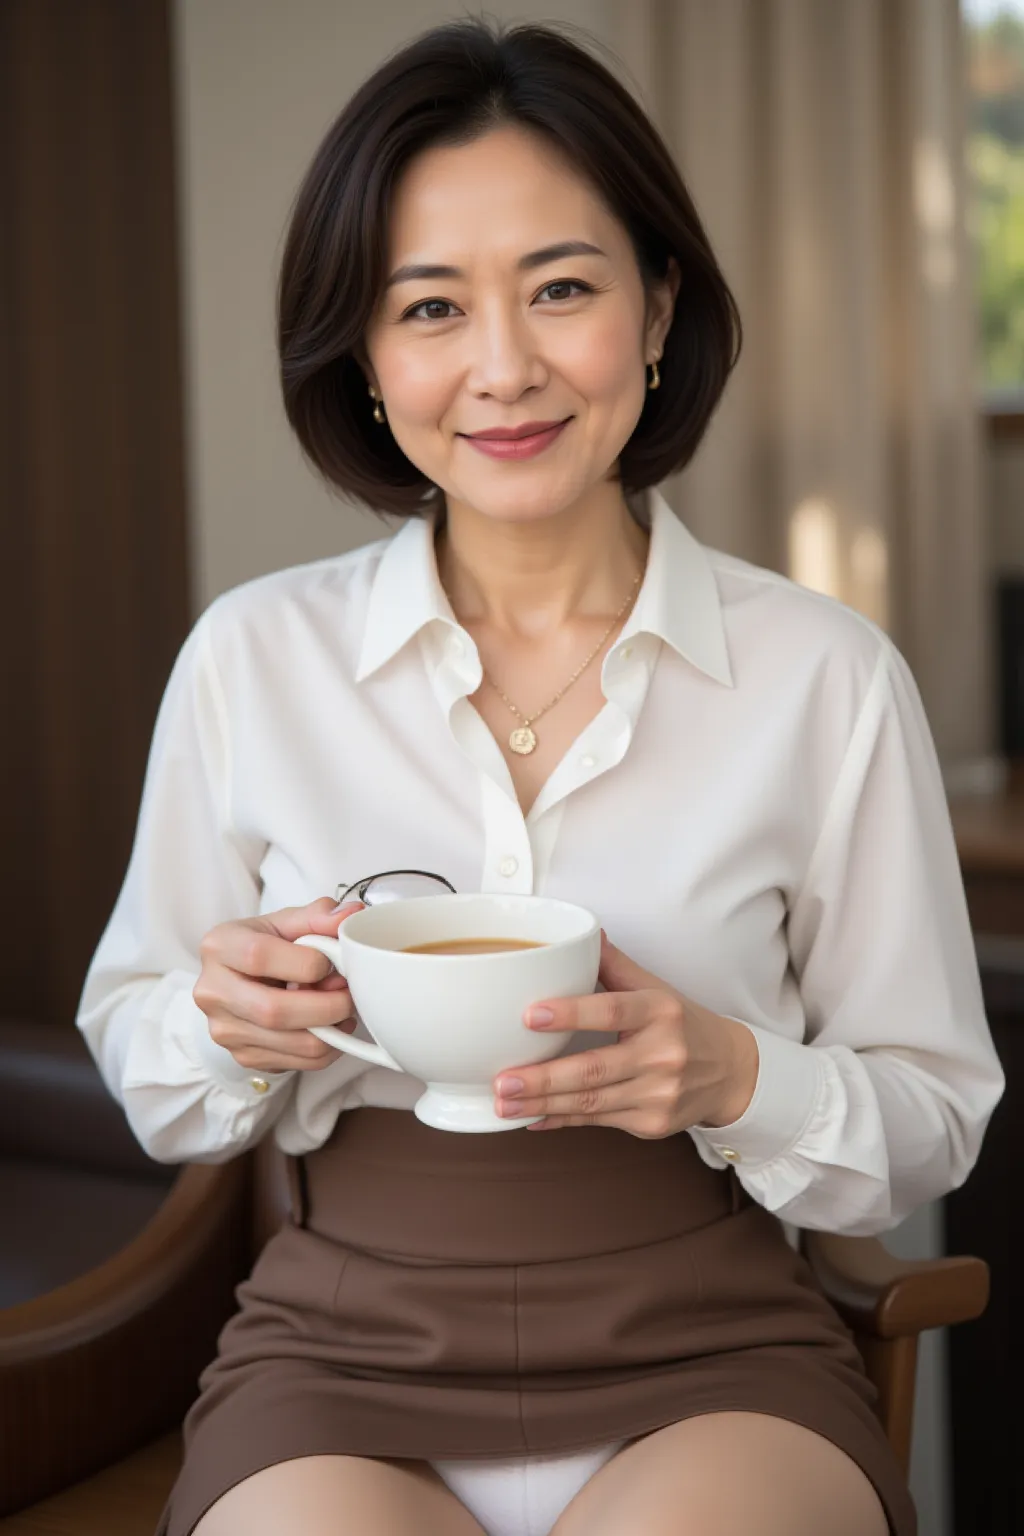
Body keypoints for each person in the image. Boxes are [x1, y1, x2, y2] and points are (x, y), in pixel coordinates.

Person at [77, 18, 1003, 1536]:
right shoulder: (254, 661)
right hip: (338, 1352)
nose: (503, 369)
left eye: (562, 289)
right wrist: (222, 1020)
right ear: (366, 358)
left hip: (713, 1348)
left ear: (657, 309)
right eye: (429, 307)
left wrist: (733, 1074)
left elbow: (933, 1114)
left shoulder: (823, 678)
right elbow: (151, 1066)